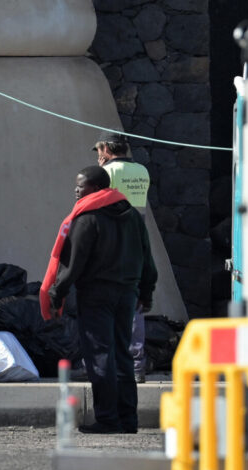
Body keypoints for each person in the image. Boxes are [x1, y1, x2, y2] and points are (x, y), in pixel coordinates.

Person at [40, 166, 157, 434]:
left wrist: (56, 295)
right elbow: (147, 257)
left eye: (80, 186)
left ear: (94, 188)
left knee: (100, 354)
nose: (76, 190)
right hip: (127, 294)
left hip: (96, 295)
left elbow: (73, 264)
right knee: (122, 353)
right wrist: (146, 292)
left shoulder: (87, 218)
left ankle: (107, 419)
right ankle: (128, 419)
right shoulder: (132, 216)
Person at [93, 130, 151, 383]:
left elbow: (98, 202)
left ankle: (106, 363)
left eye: (98, 151)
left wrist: (100, 171)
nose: (98, 156)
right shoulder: (142, 171)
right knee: (134, 305)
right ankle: (136, 365)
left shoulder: (108, 172)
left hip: (112, 244)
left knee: (103, 304)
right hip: (136, 244)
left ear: (106, 149)